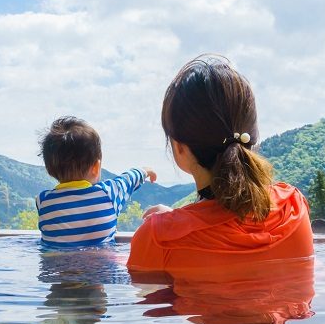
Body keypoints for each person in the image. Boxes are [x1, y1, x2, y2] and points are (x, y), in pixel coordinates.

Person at [127, 56, 314, 274]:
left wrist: (170, 224)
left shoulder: (157, 239)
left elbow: (152, 300)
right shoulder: (293, 207)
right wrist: (176, 219)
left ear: (179, 148)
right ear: (251, 136)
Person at [37, 116, 156, 248]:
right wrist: (146, 170)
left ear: (49, 170)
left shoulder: (43, 201)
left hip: (56, 268)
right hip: (100, 267)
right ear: (95, 167)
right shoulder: (107, 193)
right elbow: (129, 179)